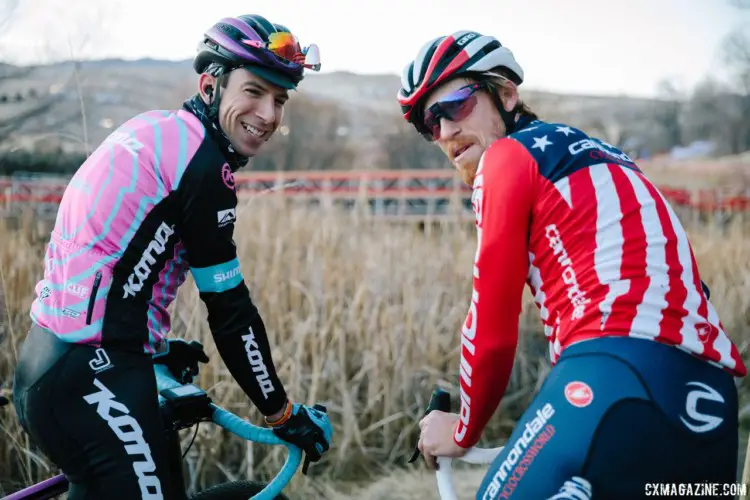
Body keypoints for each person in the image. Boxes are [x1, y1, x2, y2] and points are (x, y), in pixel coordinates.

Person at [398, 30, 747, 499]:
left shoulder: (506, 157)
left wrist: (462, 428)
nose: (444, 132)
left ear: (505, 94)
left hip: (612, 378)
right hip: (711, 403)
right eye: (428, 123)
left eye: (455, 105)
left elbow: (492, 323)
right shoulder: (611, 158)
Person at [12, 14, 331, 499]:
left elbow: (110, 264)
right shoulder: (204, 167)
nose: (268, 113)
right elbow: (231, 313)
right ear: (210, 86)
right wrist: (282, 413)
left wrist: (153, 343)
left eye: (280, 100)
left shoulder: (156, 131)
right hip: (95, 376)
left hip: (54, 360)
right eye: (254, 92)